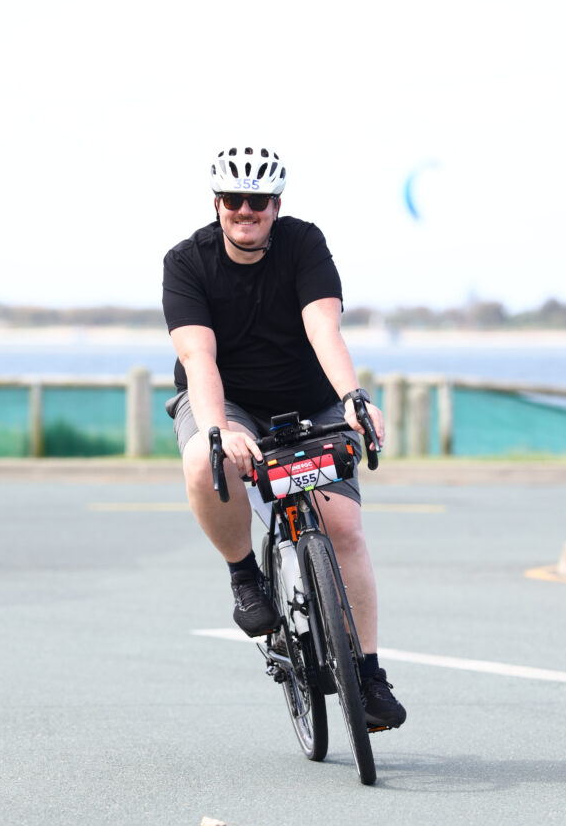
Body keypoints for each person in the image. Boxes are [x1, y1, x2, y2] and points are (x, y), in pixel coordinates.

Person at [162, 145, 406, 730]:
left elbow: (324, 330)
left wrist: (352, 397)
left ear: (277, 205)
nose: (245, 211)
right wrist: (220, 428)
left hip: (309, 398)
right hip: (230, 400)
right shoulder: (186, 262)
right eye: (233, 201)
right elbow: (200, 359)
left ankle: (369, 674)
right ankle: (246, 576)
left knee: (344, 526)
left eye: (259, 202)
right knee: (205, 459)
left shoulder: (304, 243)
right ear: (217, 203)